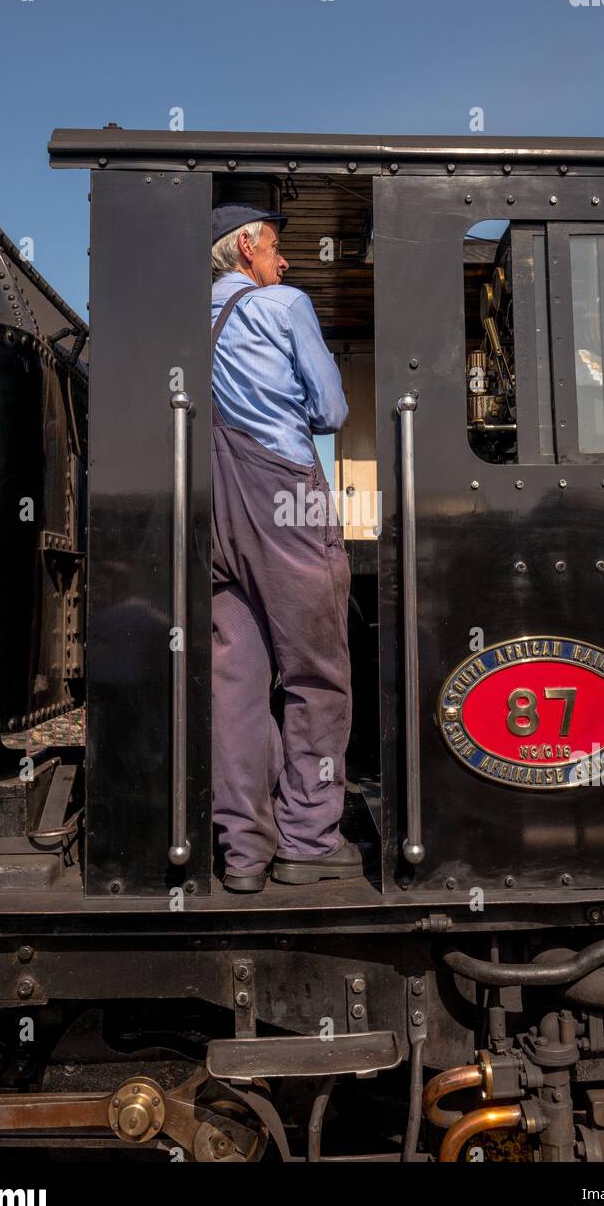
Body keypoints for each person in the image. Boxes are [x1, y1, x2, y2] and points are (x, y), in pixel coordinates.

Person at [210, 203, 363, 892]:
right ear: (244, 246)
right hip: (285, 500)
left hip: (213, 508)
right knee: (317, 676)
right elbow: (332, 412)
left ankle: (243, 854)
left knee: (235, 684)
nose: (284, 261)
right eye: (274, 247)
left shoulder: (189, 318)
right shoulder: (282, 306)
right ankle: (307, 838)